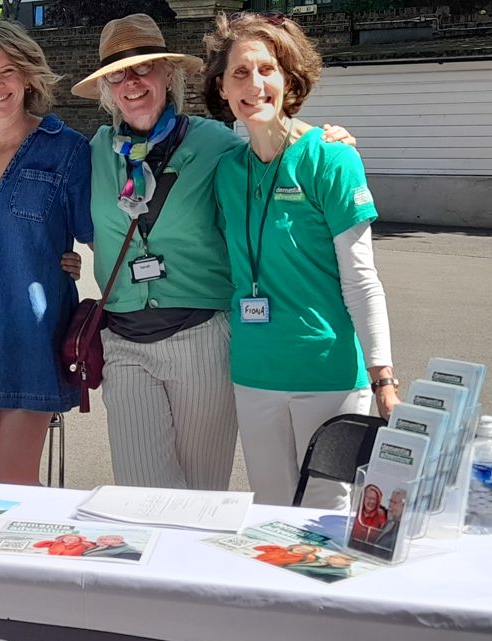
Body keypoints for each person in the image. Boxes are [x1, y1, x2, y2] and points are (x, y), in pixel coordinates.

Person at [73, 14, 355, 492]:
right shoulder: (94, 151)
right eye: (117, 75)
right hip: (123, 342)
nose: (132, 82)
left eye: (143, 69)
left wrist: (326, 139)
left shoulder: (217, 145)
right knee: (141, 493)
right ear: (106, 90)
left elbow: (276, 150)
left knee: (201, 493)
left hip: (201, 338)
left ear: (169, 76)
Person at [204, 12, 399, 507]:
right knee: (270, 513)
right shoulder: (227, 170)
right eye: (240, 73)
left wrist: (384, 380)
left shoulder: (330, 158)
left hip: (326, 375)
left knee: (327, 521)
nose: (255, 84)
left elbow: (362, 281)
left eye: (267, 69)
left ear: (288, 78)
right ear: (223, 88)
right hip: (253, 374)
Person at [0, 20, 93, 485]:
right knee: (2, 471)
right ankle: (38, 542)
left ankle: (32, 551)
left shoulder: (67, 150)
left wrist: (75, 262)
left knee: (13, 474)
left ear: (28, 76)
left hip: (34, 335)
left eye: (7, 71)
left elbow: (98, 230)